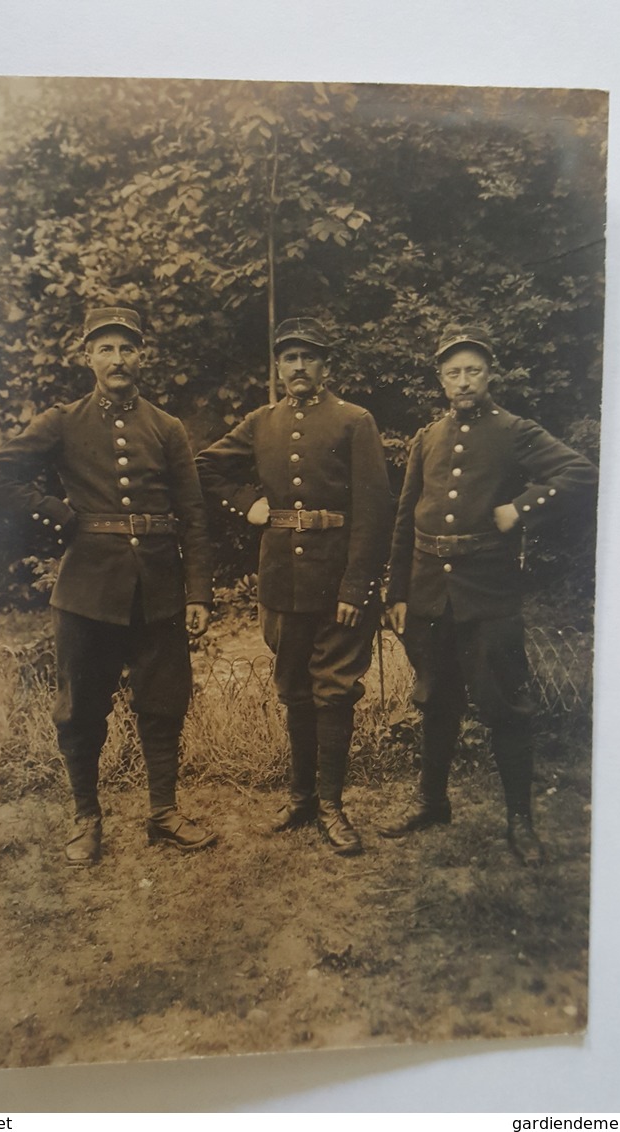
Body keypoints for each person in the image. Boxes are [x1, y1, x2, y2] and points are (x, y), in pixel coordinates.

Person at [0, 306, 216, 865]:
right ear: (87, 357)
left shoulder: (166, 427)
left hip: (158, 587)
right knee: (81, 708)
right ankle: (87, 818)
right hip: (86, 590)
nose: (117, 358)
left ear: (141, 357)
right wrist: (55, 514)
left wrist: (198, 592)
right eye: (105, 348)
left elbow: (194, 515)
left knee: (162, 702)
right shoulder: (62, 421)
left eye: (127, 348)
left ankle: (163, 814)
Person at [381, 323, 598, 864]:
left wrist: (519, 508)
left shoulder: (514, 430)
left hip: (488, 591)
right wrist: (397, 591)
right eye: (452, 372)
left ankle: (519, 823)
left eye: (472, 370)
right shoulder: (428, 437)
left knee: (505, 704)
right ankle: (432, 804)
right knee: (434, 699)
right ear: (440, 379)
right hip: (431, 592)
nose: (463, 381)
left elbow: (581, 472)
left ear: (488, 373)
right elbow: (405, 518)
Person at [196, 317, 392, 856]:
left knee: (334, 691)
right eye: (290, 358)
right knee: (294, 689)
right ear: (279, 368)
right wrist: (249, 505)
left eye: (309, 357)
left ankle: (332, 805)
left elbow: (375, 512)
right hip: (282, 580)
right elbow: (206, 465)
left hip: (338, 583)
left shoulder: (355, 421)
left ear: (326, 366)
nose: (299, 366)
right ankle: (301, 797)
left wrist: (357, 586)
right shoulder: (262, 421)